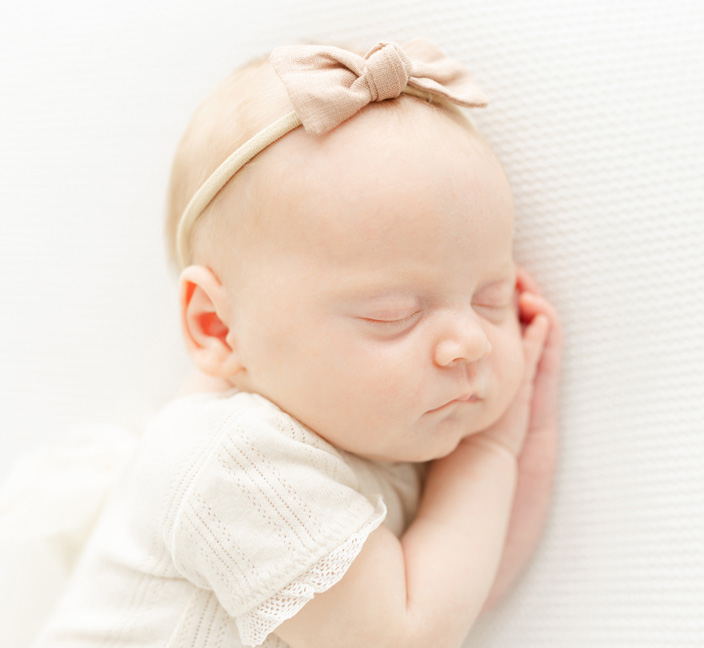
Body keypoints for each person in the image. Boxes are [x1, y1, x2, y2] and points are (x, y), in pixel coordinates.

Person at [36, 38, 562, 648]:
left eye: (491, 298)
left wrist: (525, 435)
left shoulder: (370, 432)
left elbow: (466, 591)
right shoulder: (232, 458)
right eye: (392, 314)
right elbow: (407, 634)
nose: (468, 342)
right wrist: (491, 449)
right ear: (217, 327)